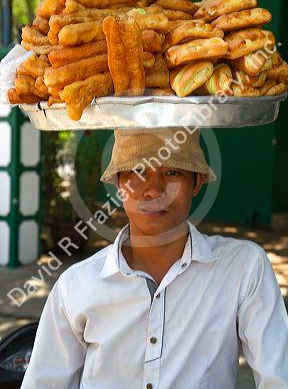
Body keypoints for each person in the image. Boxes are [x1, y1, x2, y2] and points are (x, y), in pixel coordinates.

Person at [21, 127, 288, 389]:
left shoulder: (244, 268)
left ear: (196, 182)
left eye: (172, 172)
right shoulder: (75, 286)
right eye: (138, 172)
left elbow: (279, 376)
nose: (153, 190)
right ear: (119, 184)